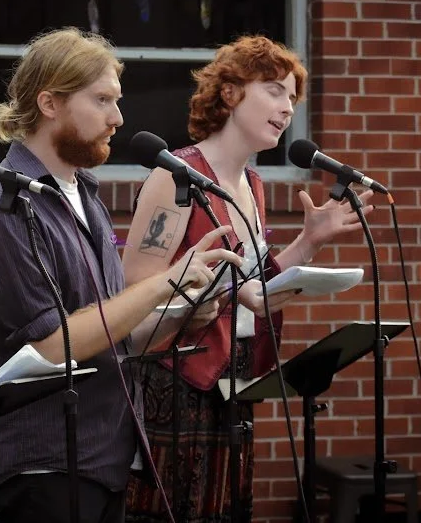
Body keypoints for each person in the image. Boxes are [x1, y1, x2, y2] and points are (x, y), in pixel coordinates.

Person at [0, 27, 243, 523]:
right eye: (102, 100)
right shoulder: (3, 207)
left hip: (105, 454)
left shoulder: (83, 193)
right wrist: (165, 281)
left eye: (117, 101)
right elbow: (51, 346)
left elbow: (113, 336)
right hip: (46, 461)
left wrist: (180, 316)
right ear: (49, 103)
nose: (118, 118)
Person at [122, 36, 375, 522]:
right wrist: (217, 295)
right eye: (275, 91)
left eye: (292, 98)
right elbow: (137, 295)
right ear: (231, 92)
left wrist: (309, 242)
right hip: (177, 381)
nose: (288, 108)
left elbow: (252, 286)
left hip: (234, 378)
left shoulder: (251, 184)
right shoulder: (176, 176)